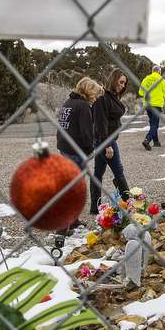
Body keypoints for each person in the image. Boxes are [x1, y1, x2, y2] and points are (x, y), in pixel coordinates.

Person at [56, 76, 103, 230]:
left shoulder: (68, 103)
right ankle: (63, 225)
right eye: (94, 94)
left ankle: (72, 220)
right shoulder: (83, 106)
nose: (95, 98)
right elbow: (86, 133)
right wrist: (90, 150)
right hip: (76, 151)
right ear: (88, 91)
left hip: (65, 148)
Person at [92, 68, 132, 213]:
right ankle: (130, 204)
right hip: (105, 141)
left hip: (104, 140)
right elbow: (100, 123)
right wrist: (107, 144)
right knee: (118, 171)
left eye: (124, 84)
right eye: (121, 82)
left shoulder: (113, 96)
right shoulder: (103, 97)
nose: (123, 86)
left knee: (98, 173)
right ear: (114, 80)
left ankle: (95, 208)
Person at [138, 65, 165, 150]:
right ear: (159, 72)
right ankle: (147, 140)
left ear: (152, 71)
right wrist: (161, 95)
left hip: (148, 105)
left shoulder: (146, 79)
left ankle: (156, 142)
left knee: (153, 123)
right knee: (155, 125)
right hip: (157, 105)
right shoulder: (162, 80)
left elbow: (141, 92)